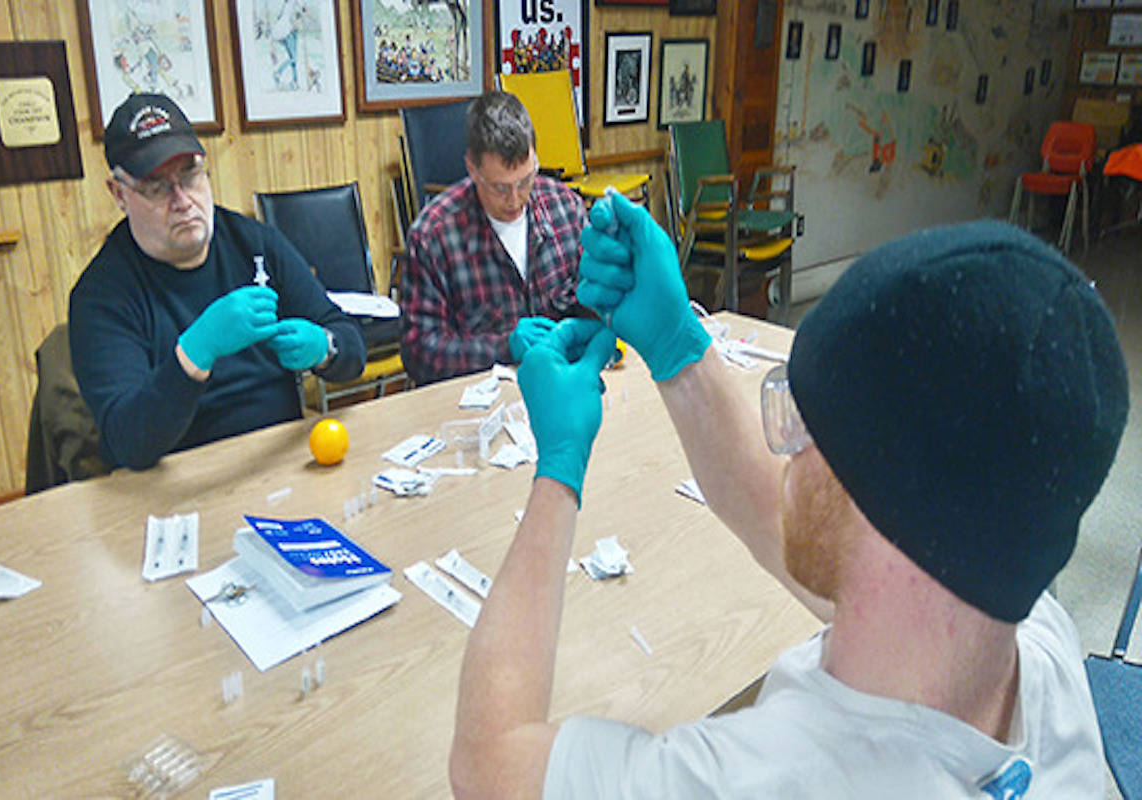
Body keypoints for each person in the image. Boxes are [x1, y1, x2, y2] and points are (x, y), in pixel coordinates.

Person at [450, 192, 1130, 797]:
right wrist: (676, 346)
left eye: (806, 424)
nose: (784, 444)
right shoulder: (1037, 640)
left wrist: (558, 467)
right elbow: (780, 515)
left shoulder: (763, 777)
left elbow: (488, 763)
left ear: (885, 508)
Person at [69, 93, 365, 470]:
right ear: (119, 194)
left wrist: (324, 346)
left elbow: (350, 343)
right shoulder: (101, 294)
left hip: (275, 459)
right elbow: (128, 441)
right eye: (157, 187)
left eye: (190, 175)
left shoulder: (253, 243)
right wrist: (193, 355)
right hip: (172, 481)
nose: (182, 200)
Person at [399, 90, 588, 385]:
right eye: (500, 188)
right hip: (482, 402)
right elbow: (420, 354)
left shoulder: (566, 209)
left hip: (564, 386)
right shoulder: (433, 236)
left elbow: (590, 303)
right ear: (472, 169)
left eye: (526, 181)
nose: (515, 199)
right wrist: (503, 348)